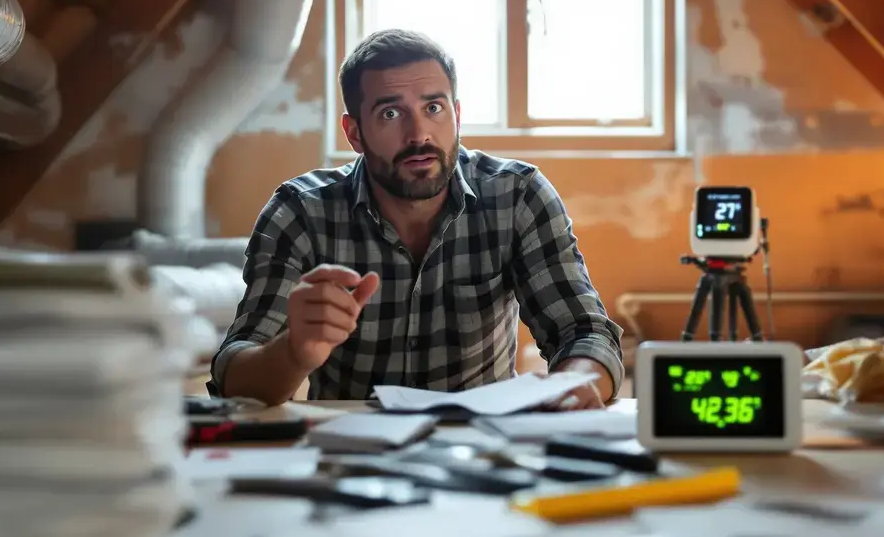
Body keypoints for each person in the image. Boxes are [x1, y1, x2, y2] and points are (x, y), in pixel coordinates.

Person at [209, 29, 624, 408]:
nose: (419, 134)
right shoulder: (300, 211)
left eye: (434, 107)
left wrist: (574, 382)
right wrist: (294, 350)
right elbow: (233, 377)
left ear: (457, 115)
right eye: (391, 114)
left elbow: (585, 332)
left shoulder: (518, 195)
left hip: (482, 451)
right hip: (353, 457)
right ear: (354, 133)